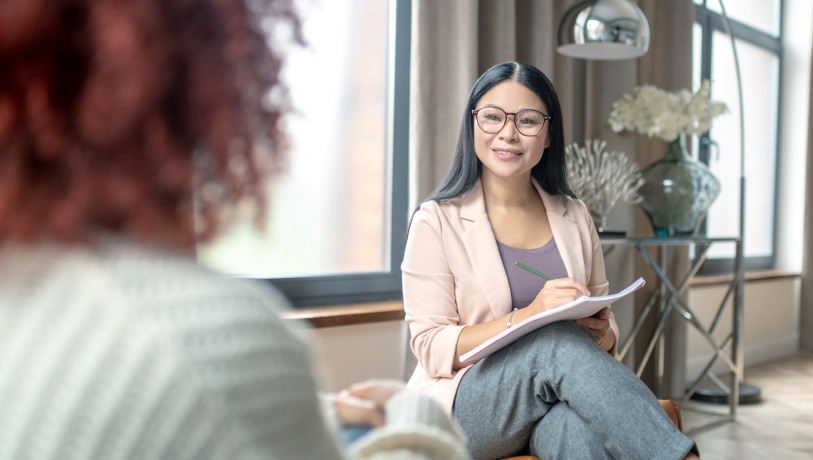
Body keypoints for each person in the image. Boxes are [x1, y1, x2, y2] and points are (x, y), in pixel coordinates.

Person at [0, 1, 468, 459]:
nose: (508, 133)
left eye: (528, 120)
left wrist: (321, 412)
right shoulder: (192, 342)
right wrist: (417, 417)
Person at [402, 61, 700, 460]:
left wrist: (596, 326)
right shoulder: (435, 220)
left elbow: (606, 328)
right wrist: (531, 316)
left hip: (550, 395)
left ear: (547, 135)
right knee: (553, 340)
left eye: (527, 120)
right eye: (492, 117)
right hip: (463, 408)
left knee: (574, 428)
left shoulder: (574, 215)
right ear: (473, 124)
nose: (508, 132)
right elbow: (430, 345)